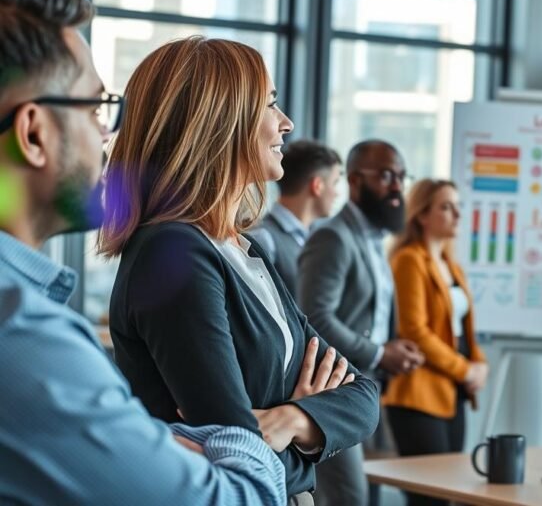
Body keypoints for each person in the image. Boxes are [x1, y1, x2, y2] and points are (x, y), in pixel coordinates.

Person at [0, 0, 286, 505]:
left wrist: (161, 439)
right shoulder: (21, 336)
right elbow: (237, 498)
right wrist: (219, 439)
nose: (109, 137)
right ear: (34, 133)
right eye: (94, 109)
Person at [99, 36, 380, 502]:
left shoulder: (241, 248)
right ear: (221, 123)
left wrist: (291, 419)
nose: (286, 123)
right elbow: (236, 454)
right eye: (270, 106)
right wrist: (305, 421)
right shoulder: (174, 253)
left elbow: (364, 394)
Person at [297, 139, 424, 506]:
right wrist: (380, 353)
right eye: (386, 176)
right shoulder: (333, 237)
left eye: (401, 176)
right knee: (349, 498)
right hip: (334, 394)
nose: (397, 185)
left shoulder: (375, 240)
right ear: (354, 180)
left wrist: (392, 350)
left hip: (368, 386)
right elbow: (316, 318)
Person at [382, 179, 488, 506]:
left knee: (449, 492)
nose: (457, 214)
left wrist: (479, 364)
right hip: (419, 392)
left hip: (452, 391)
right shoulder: (409, 260)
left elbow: (462, 329)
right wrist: (464, 370)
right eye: (446, 206)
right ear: (421, 215)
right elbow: (414, 330)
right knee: (429, 499)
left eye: (458, 206)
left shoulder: (452, 265)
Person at [250, 139, 343, 297]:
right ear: (317, 186)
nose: (337, 193)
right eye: (335, 183)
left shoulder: (317, 237)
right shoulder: (264, 239)